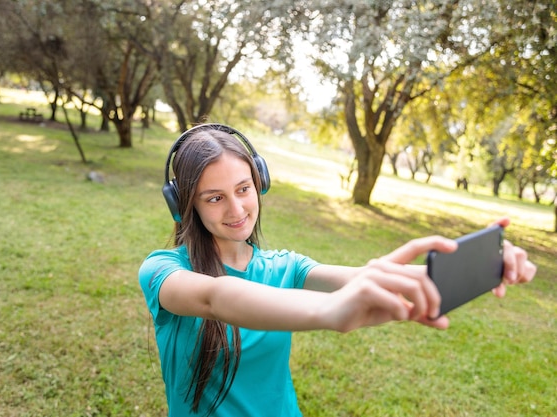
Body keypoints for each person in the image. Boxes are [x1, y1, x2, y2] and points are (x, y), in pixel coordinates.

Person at [138, 123, 536, 417]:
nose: (237, 209)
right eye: (214, 198)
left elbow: (370, 279)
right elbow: (214, 298)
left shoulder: (286, 267)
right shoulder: (162, 271)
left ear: (259, 183)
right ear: (184, 204)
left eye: (244, 189)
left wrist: (488, 263)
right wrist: (329, 312)